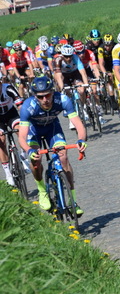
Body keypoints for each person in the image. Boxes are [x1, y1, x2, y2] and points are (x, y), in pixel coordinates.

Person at [17, 76, 88, 213]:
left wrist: (81, 140)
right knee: (35, 160)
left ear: (53, 91)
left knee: (63, 158)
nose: (45, 100)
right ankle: (42, 189)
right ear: (35, 96)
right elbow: (21, 137)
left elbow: (79, 124)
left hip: (53, 129)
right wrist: (29, 150)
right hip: (34, 131)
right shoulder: (27, 107)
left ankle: (72, 200)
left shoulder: (62, 99)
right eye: (40, 97)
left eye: (48, 95)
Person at [0, 80, 24, 186]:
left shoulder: (8, 88)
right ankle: (8, 173)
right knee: (1, 140)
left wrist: (26, 120)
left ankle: (24, 155)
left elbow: (20, 106)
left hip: (11, 114)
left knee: (20, 129)